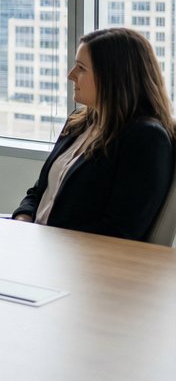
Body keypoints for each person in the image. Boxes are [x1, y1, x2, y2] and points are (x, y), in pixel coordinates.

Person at [11, 27, 175, 241]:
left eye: (81, 68)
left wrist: (48, 243)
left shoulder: (146, 139)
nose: (71, 75)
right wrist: (22, 222)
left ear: (113, 75)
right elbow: (38, 192)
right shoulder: (79, 121)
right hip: (37, 244)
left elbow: (121, 229)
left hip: (80, 261)